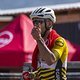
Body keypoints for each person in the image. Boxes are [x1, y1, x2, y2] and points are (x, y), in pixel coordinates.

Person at [23, 7, 68, 80]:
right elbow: (43, 70)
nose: (36, 25)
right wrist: (32, 75)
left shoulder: (59, 41)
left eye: (39, 22)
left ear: (49, 23)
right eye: (34, 22)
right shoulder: (42, 44)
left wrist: (38, 39)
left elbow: (51, 60)